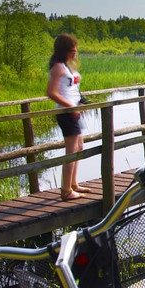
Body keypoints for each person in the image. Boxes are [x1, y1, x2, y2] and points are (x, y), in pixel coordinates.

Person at [46, 33, 89, 201]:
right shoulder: (58, 67)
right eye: (72, 48)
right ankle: (66, 191)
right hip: (66, 114)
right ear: (64, 50)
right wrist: (70, 106)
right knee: (71, 151)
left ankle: (73, 184)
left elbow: (71, 90)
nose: (75, 51)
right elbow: (51, 92)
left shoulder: (67, 66)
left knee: (79, 147)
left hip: (73, 111)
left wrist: (80, 102)